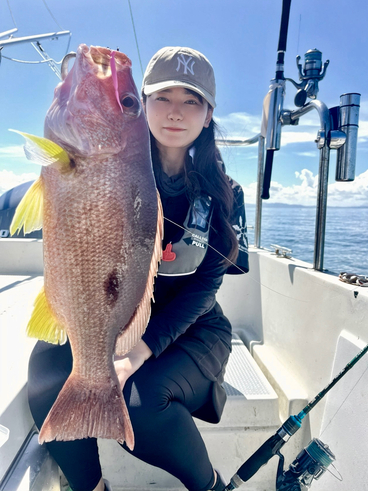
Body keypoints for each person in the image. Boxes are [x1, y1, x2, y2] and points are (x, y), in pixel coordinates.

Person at [28, 46, 249, 491]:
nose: (176, 112)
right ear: (143, 104)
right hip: (111, 315)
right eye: (161, 97)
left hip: (190, 328)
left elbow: (204, 290)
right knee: (47, 376)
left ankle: (211, 486)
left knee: (139, 404)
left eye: (192, 101)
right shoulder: (110, 160)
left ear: (208, 115)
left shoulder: (225, 193)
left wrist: (137, 353)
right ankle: (91, 487)